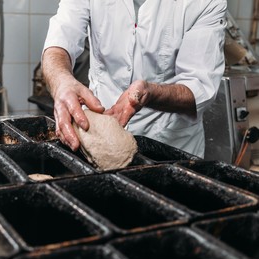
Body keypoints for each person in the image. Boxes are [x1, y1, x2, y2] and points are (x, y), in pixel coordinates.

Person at [41, 0, 227, 158]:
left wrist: (151, 93)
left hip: (171, 145)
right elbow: (59, 41)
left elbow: (199, 86)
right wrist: (61, 81)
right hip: (99, 136)